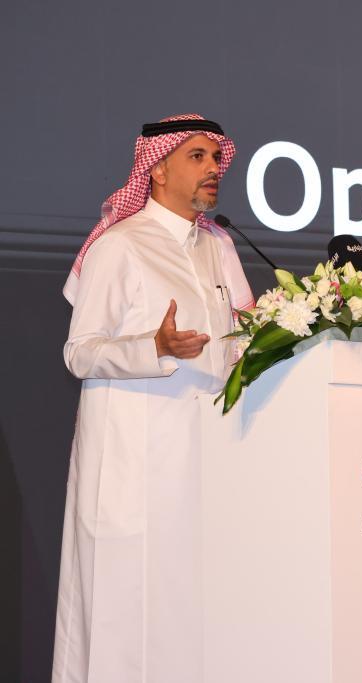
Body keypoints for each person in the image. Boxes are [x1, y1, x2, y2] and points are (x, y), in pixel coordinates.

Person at [53, 114, 254, 683]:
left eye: (216, 158)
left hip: (206, 467)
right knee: (126, 621)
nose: (214, 169)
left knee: (193, 623)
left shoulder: (219, 247)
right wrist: (155, 347)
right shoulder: (120, 246)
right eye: (198, 156)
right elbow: (80, 352)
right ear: (158, 169)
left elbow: (245, 339)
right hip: (136, 468)